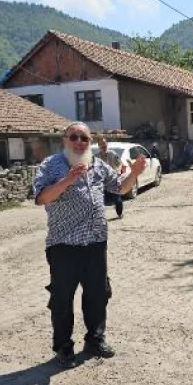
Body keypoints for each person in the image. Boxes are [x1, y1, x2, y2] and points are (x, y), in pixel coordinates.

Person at [34, 122, 147, 368]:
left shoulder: (97, 165)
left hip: (96, 243)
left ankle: (95, 339)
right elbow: (42, 198)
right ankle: (63, 346)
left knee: (98, 295)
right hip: (64, 245)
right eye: (73, 137)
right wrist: (68, 179)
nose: (79, 142)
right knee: (62, 299)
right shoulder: (51, 165)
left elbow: (120, 188)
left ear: (90, 141)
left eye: (84, 138)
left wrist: (135, 173)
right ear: (64, 140)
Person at [95, 137, 124, 218]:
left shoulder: (112, 154)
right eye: (101, 144)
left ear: (107, 144)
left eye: (104, 143)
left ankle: (119, 214)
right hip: (102, 181)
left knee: (117, 199)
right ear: (99, 146)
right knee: (99, 200)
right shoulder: (96, 157)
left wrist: (117, 171)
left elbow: (120, 164)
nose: (103, 145)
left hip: (113, 180)